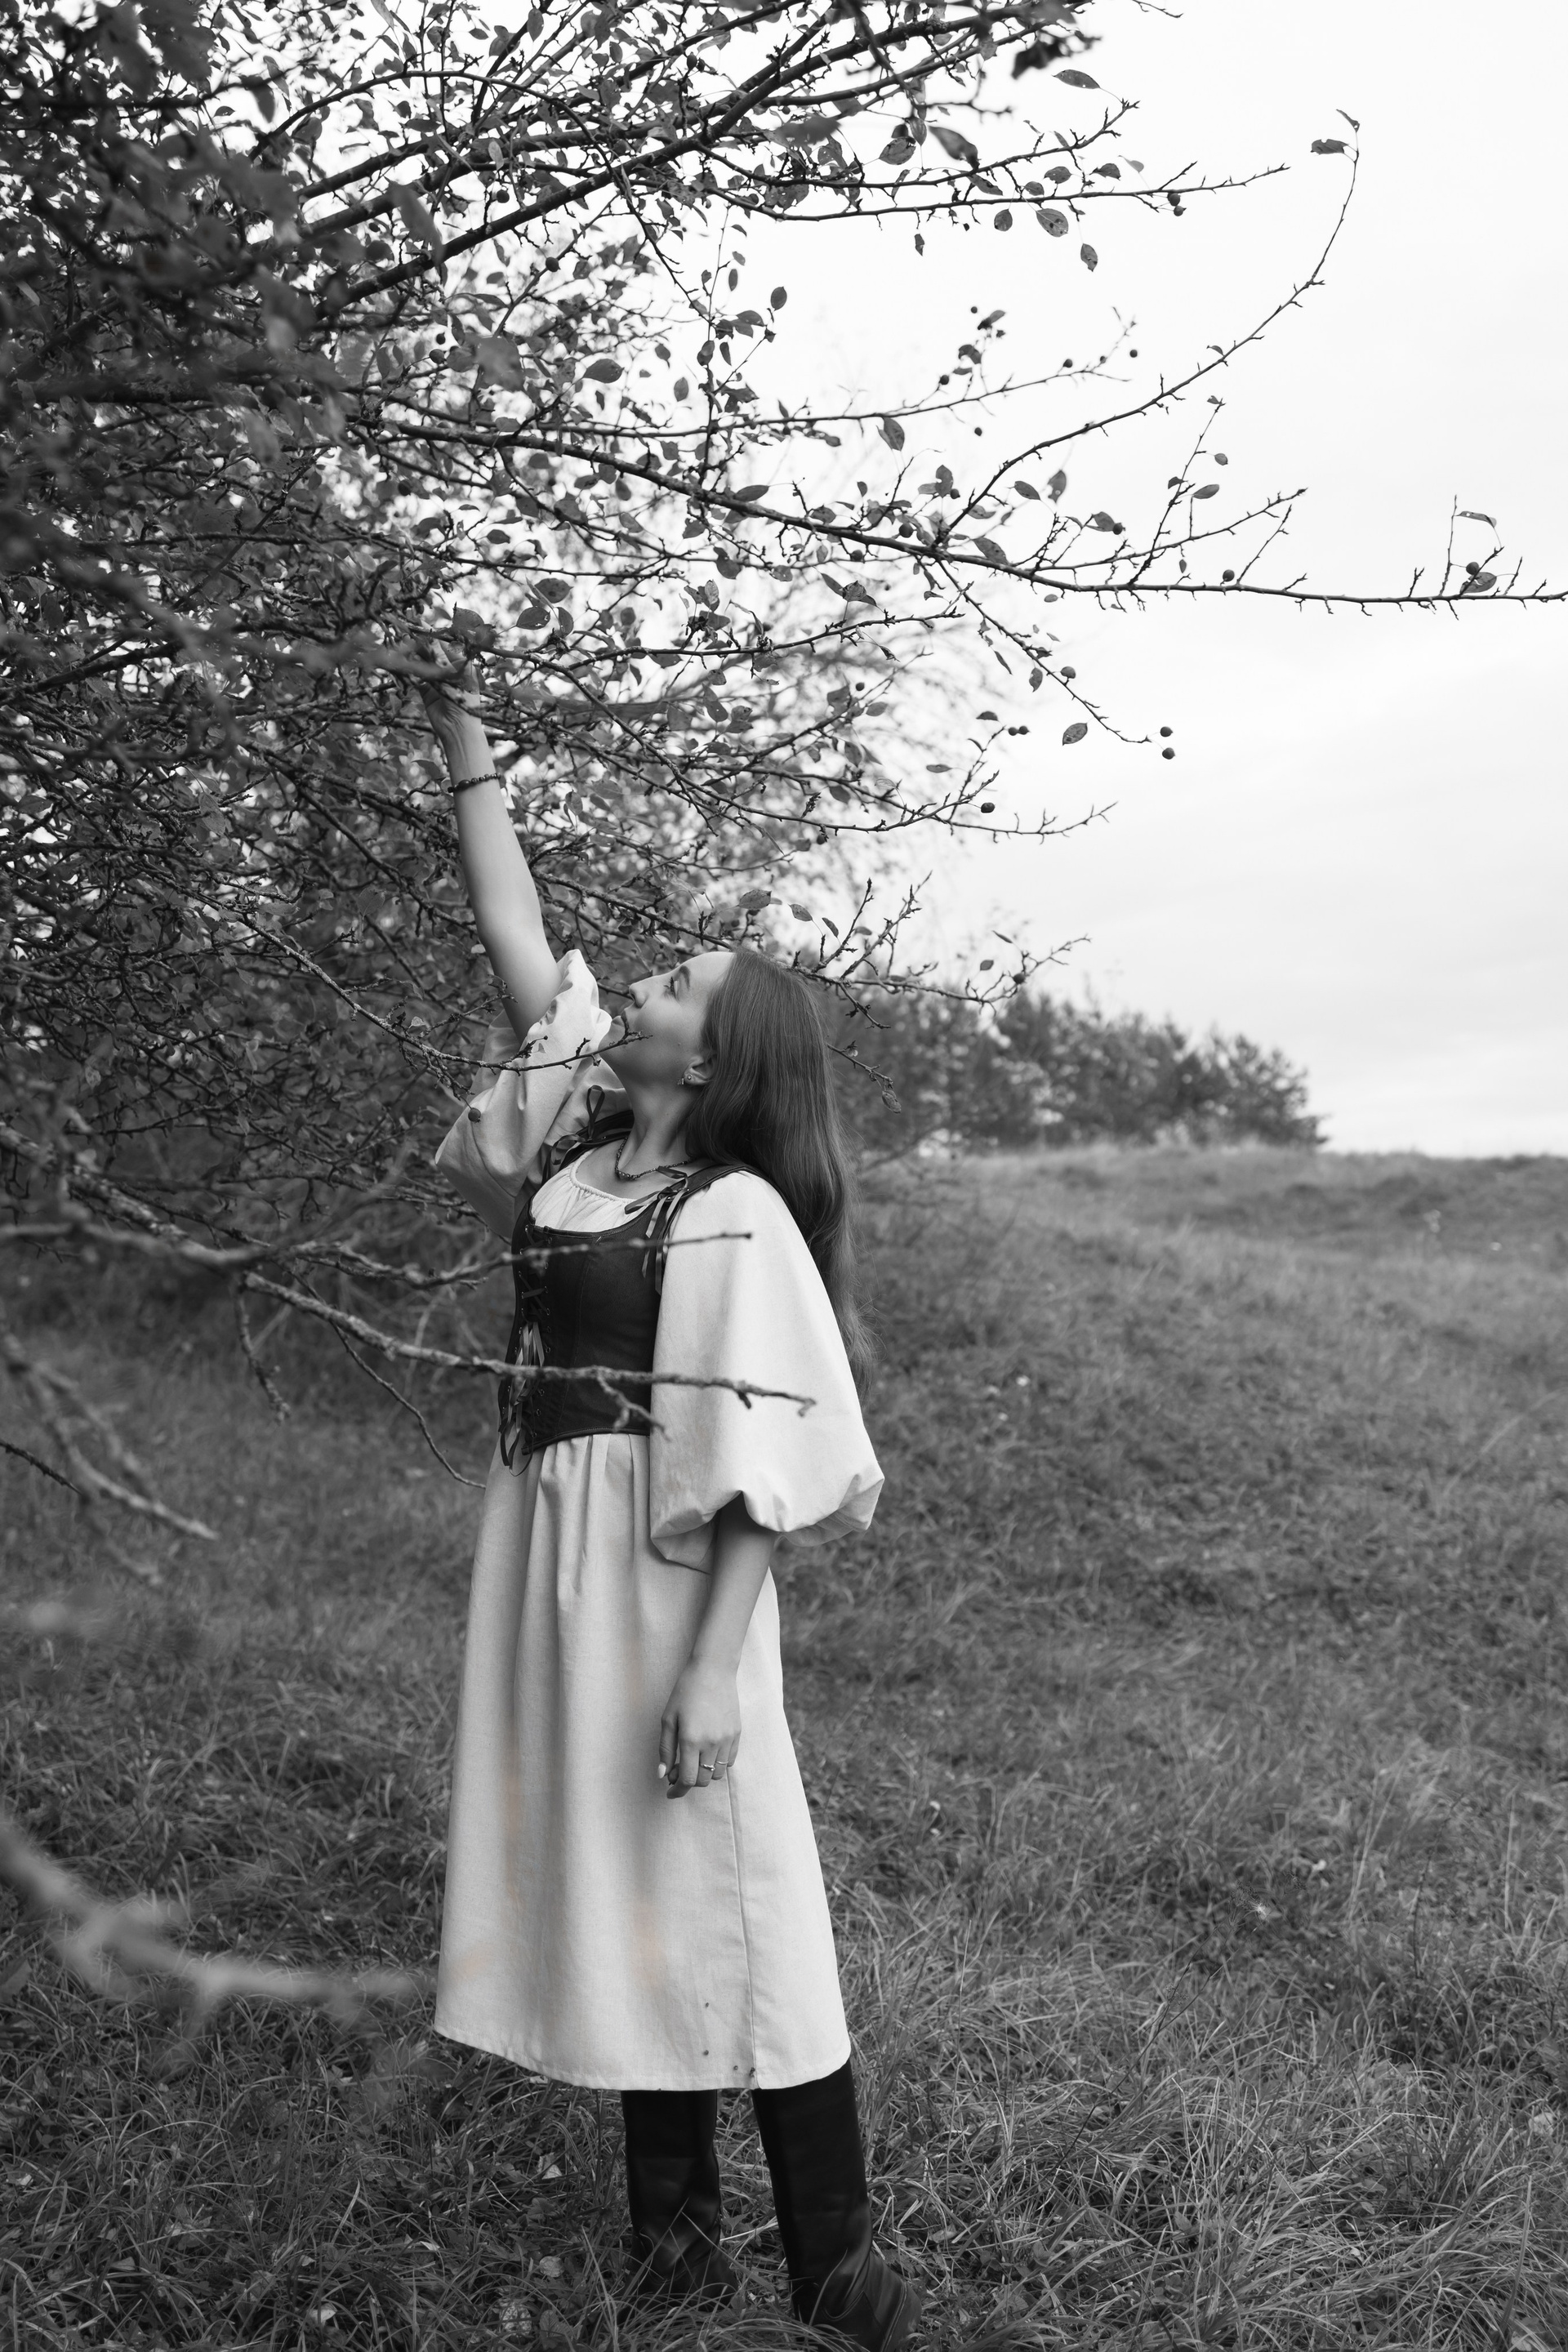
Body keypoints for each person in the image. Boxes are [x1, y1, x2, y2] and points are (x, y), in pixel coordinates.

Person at [421, 675, 920, 2351]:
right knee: (638, 1880)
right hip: (549, 1559)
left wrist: (712, 1672)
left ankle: (841, 2280)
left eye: (675, 981)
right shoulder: (579, 1141)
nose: (637, 978)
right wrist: (461, 736)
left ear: (708, 1055)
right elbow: (514, 928)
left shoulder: (731, 1214)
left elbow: (760, 1462)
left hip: (668, 1569)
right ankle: (674, 2254)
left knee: (745, 1886)